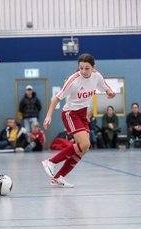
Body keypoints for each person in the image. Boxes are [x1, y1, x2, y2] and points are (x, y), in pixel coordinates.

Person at [42, 53, 116, 188]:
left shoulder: (97, 76)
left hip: (82, 114)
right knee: (84, 143)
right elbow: (56, 98)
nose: (83, 71)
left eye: (86, 68)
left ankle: (58, 177)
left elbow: (106, 88)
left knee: (84, 148)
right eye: (81, 68)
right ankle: (51, 162)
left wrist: (110, 93)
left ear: (93, 67)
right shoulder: (73, 80)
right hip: (70, 113)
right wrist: (48, 116)